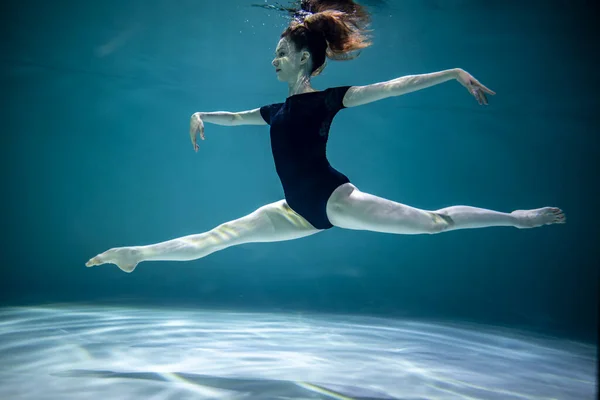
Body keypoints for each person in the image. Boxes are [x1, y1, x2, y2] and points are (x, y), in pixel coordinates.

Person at [86, 0, 565, 273]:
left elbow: (394, 87)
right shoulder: (275, 109)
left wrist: (453, 72)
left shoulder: (328, 99)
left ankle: (516, 219)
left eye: (280, 51)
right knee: (217, 238)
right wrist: (200, 114)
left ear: (303, 58)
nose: (272, 59)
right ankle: (136, 255)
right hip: (293, 211)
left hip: (335, 200)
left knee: (434, 223)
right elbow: (234, 118)